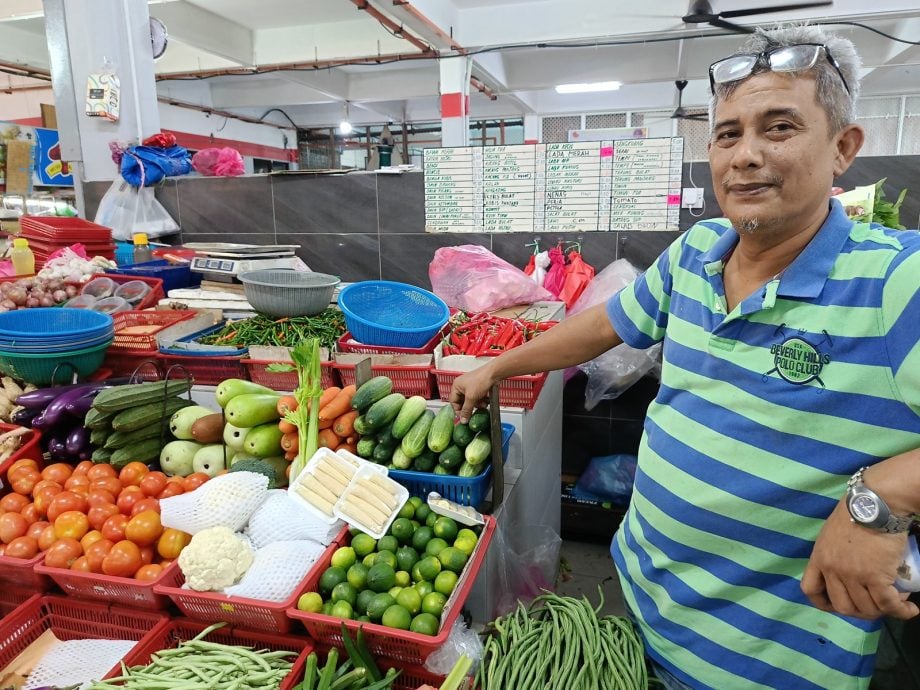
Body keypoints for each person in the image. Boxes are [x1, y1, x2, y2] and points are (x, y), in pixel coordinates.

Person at [450, 24, 920, 690]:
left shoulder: (896, 281)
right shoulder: (698, 250)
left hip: (762, 666)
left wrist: (882, 495)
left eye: (780, 128)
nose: (746, 155)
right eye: (727, 134)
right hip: (642, 605)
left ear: (843, 148)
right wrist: (497, 366)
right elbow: (604, 325)